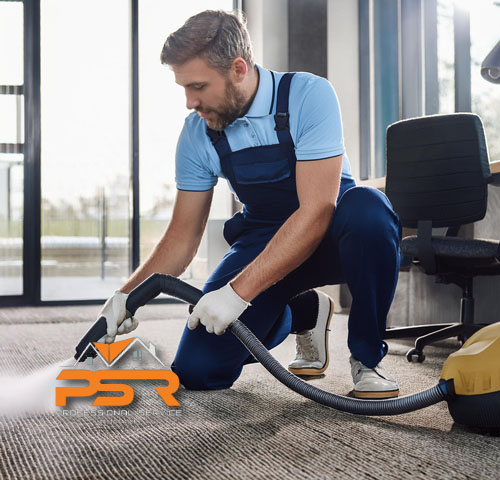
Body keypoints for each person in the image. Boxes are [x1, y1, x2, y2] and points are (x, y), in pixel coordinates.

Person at [96, 10, 402, 399]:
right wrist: (127, 296)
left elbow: (317, 211)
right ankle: (304, 313)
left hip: (333, 234)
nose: (190, 102)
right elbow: (182, 237)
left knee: (369, 210)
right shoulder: (197, 134)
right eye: (184, 88)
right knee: (197, 370)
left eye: (198, 86)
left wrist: (237, 294)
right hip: (262, 241)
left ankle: (366, 358)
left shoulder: (309, 95)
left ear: (238, 68)